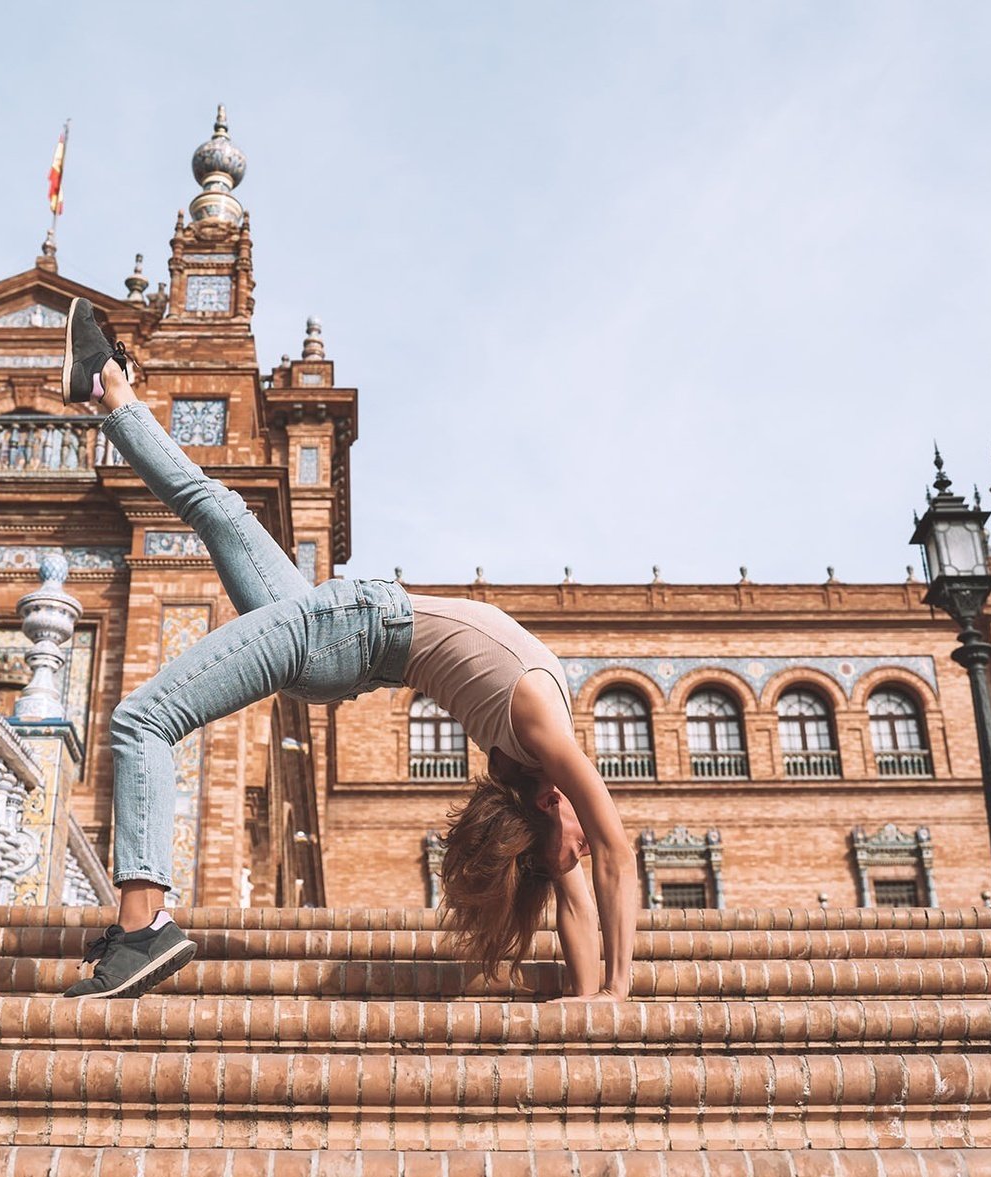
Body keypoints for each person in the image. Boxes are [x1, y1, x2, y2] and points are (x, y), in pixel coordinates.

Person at [58, 300, 637, 1001]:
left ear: (548, 812)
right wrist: (590, 997)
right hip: (343, 635)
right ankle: (109, 388)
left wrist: (619, 992)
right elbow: (577, 891)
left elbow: (612, 854)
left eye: (563, 852)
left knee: (142, 720)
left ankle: (143, 926)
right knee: (219, 508)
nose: (577, 851)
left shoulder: (541, 733)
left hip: (345, 630)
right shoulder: (538, 763)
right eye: (572, 848)